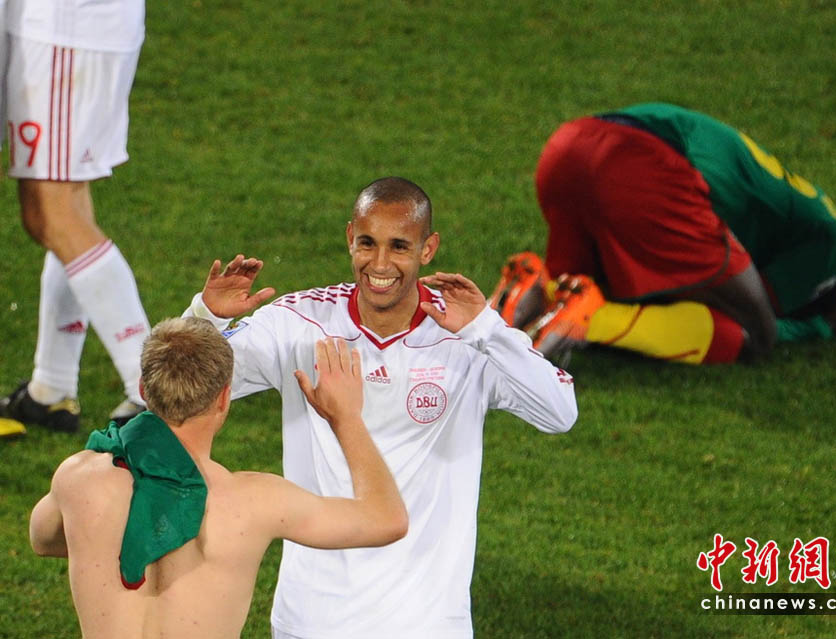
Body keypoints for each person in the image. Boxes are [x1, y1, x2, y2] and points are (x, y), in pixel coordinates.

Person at [183, 176, 577, 638]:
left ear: (428, 249)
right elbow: (181, 392)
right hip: (312, 622)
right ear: (350, 237)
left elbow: (560, 412)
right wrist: (205, 318)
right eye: (368, 243)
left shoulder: (465, 335)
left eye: (399, 246)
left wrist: (487, 330)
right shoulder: (299, 323)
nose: (381, 264)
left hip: (427, 624)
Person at [30, 317, 408, 639]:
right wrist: (346, 418)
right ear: (224, 398)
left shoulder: (80, 478)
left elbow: (43, 540)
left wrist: (102, 536)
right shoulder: (256, 502)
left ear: (144, 390)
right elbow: (386, 519)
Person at [490, 102, 836, 364]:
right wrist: (817, 327)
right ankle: (595, 322)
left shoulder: (785, 203)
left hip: (568, 147)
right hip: (644, 170)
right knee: (755, 336)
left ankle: (531, 290)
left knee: (581, 289)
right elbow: (761, 321)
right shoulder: (829, 244)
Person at [0, 0, 151, 432]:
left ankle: (154, 393)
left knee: (54, 214)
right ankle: (51, 388)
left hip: (64, 30)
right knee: (63, 207)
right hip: (76, 30)